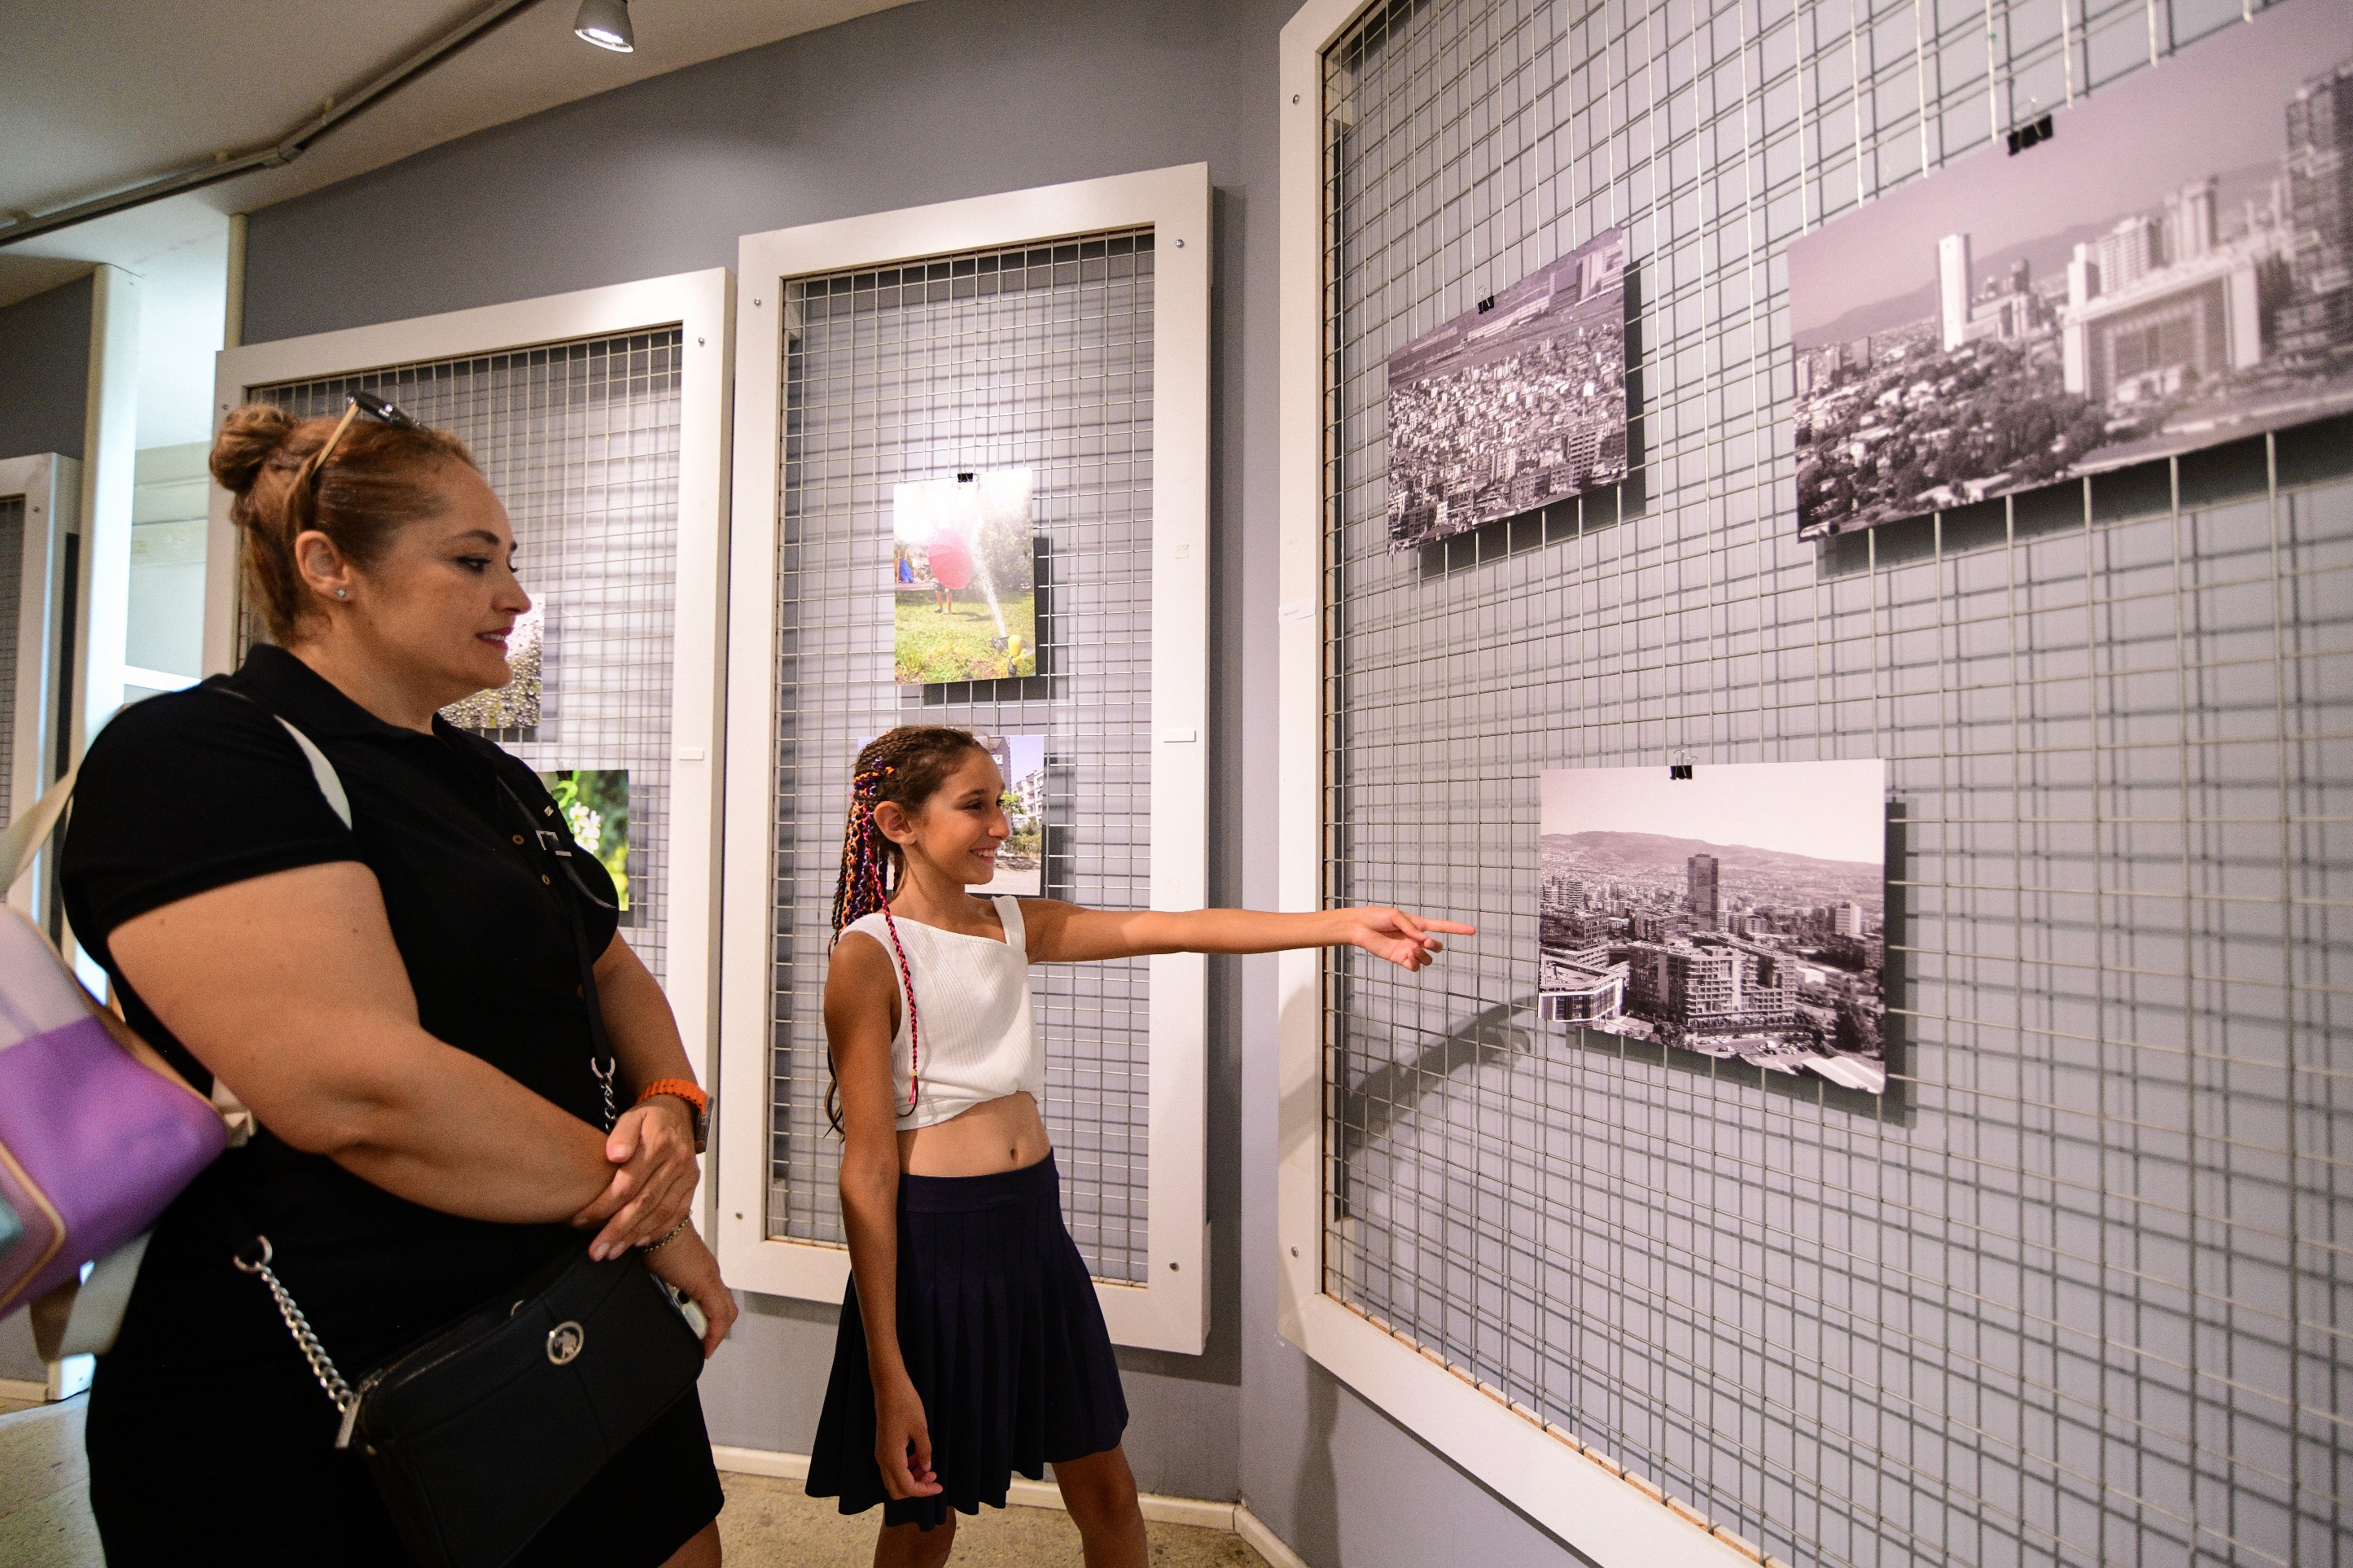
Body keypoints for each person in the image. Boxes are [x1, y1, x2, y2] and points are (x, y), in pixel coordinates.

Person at [59, 398, 738, 1566]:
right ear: (330, 568)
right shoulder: (196, 755)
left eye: (511, 563)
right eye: (473, 562)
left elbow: (610, 969)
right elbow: (358, 1088)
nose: (514, 598)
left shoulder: (489, 775)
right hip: (322, 1384)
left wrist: (673, 1106)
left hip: (575, 1323)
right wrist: (647, 1201)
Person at [804, 725, 1473, 1566]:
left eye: (1000, 803)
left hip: (1032, 1232)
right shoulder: (865, 956)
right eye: (974, 805)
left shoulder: (1013, 923)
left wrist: (1343, 923)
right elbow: (865, 1173)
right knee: (925, 1515)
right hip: (940, 1247)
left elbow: (1180, 927)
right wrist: (886, 1366)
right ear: (899, 822)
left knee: (1110, 1490)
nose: (1001, 825)